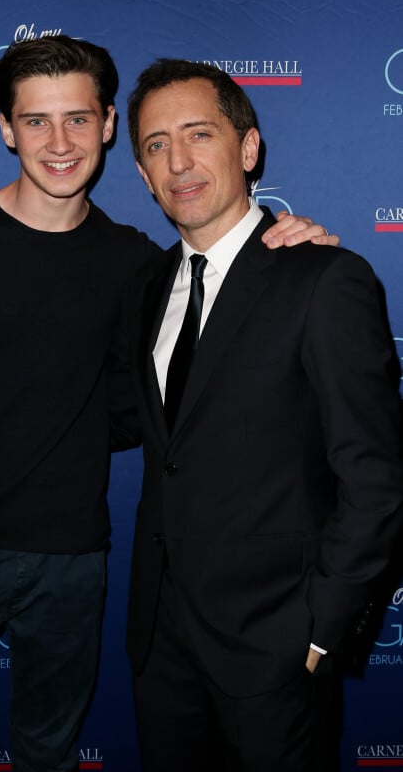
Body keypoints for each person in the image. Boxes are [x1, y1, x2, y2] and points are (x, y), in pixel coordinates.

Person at [0, 37, 334, 772]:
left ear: (109, 125)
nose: (59, 142)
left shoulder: (137, 263)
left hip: (74, 561)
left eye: (78, 119)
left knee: (49, 754)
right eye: (36, 121)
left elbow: (185, 345)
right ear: (6, 129)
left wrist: (288, 237)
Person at [121, 58, 403, 772]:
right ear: (143, 174)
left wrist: (319, 630)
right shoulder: (149, 284)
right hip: (162, 646)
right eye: (156, 145)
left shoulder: (324, 279)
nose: (178, 161)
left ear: (248, 149)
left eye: (197, 134)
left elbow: (375, 477)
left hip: (276, 648)